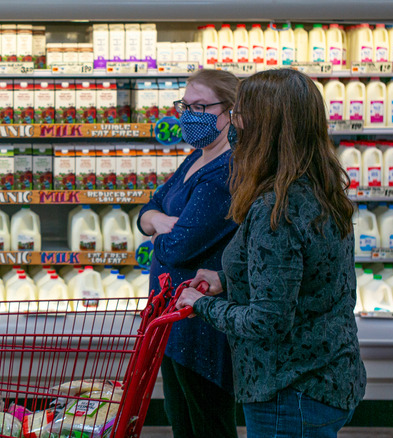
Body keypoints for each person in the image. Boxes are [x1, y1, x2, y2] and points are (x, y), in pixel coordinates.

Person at [176, 68, 366, 438]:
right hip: (328, 374)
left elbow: (268, 322)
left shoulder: (276, 209)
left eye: (240, 114)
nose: (233, 122)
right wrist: (226, 280)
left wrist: (200, 305)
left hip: (289, 391)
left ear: (264, 127)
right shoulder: (318, 187)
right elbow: (300, 274)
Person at [137, 69, 239, 438]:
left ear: (229, 111)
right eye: (185, 105)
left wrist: (158, 231)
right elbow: (147, 209)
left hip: (201, 320)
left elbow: (179, 246)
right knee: (182, 418)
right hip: (171, 313)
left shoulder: (225, 171)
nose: (188, 115)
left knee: (206, 420)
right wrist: (158, 219)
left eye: (200, 107)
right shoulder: (198, 156)